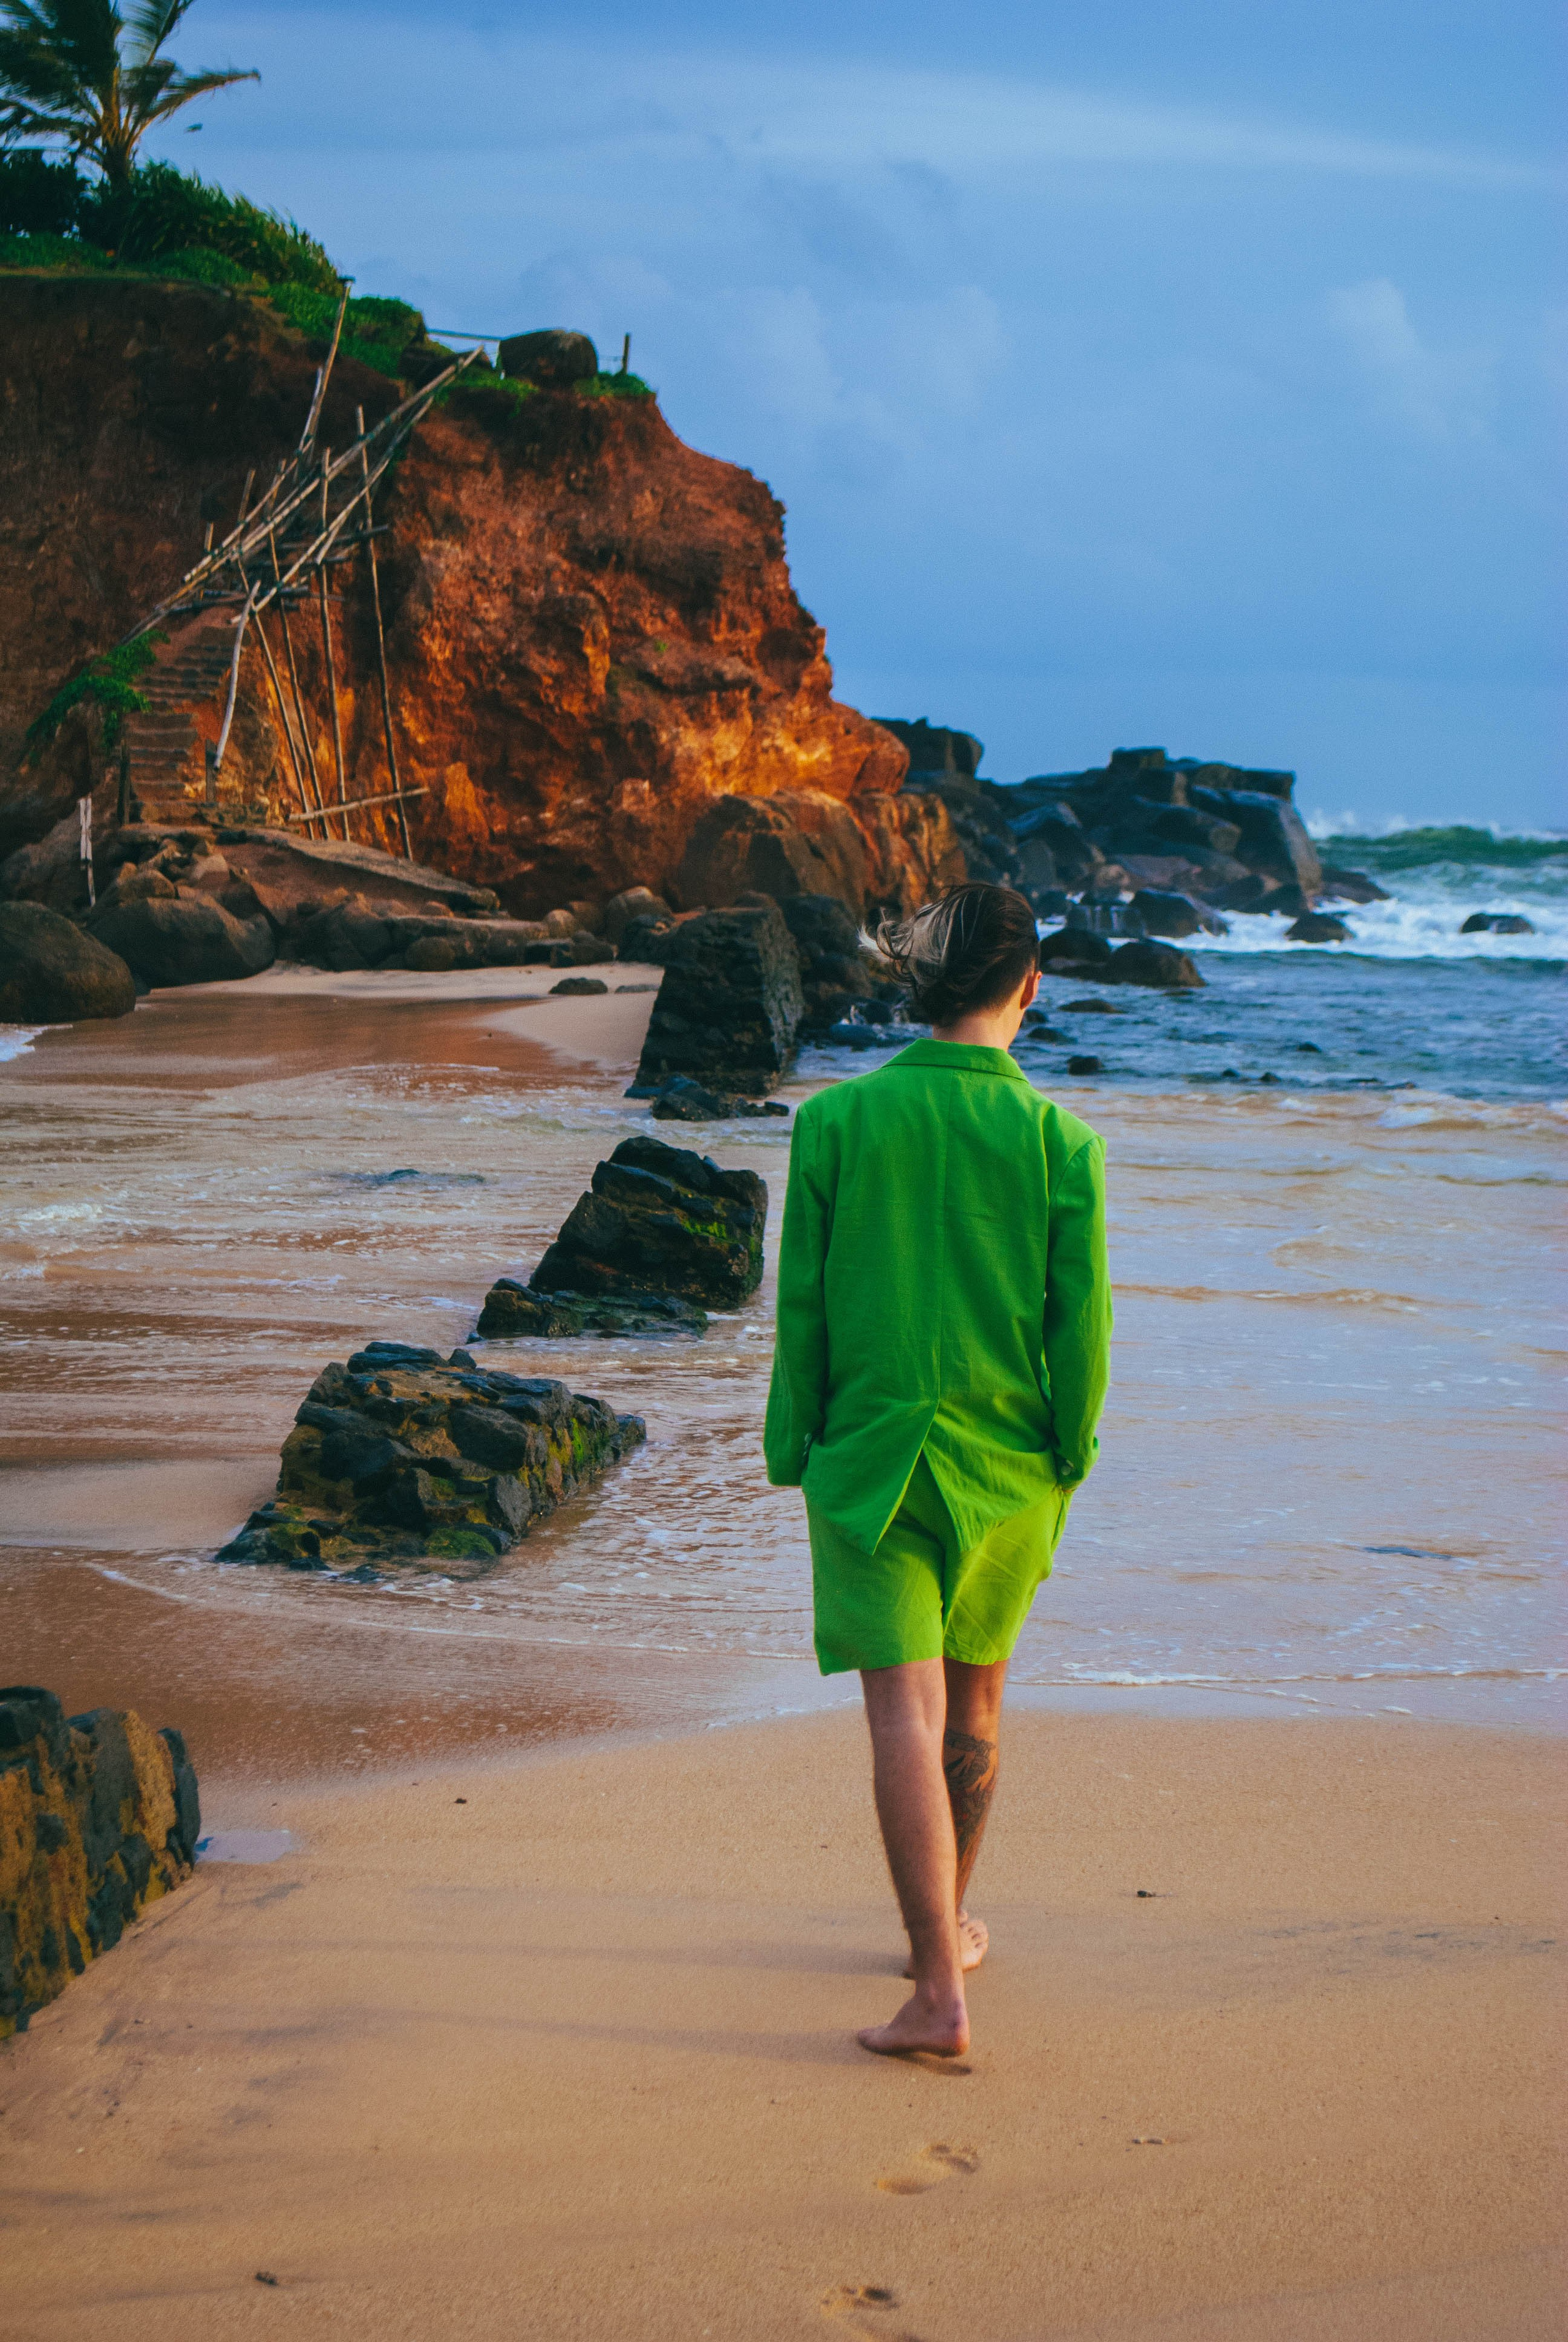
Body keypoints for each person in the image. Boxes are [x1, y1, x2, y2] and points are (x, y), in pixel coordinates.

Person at [764, 882, 1112, 2057]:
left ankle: (935, 1987)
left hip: (872, 1461)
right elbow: (1084, 1330)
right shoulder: (1062, 1141)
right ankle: (948, 1930)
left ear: (925, 985)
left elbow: (802, 1309)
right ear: (1029, 987)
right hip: (1011, 1466)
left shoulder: (838, 1124)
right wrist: (1072, 1450)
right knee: (975, 1708)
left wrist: (789, 1445)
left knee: (900, 1718)